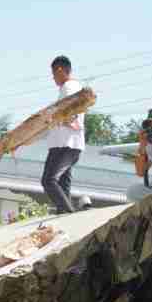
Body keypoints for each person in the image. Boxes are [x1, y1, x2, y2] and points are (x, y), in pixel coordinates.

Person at [41, 55, 85, 214]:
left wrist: (53, 117)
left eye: (53, 74)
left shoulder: (69, 87)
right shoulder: (68, 88)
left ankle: (68, 213)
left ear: (60, 70)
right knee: (62, 184)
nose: (53, 78)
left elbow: (71, 112)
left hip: (65, 144)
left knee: (48, 180)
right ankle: (65, 215)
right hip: (67, 144)